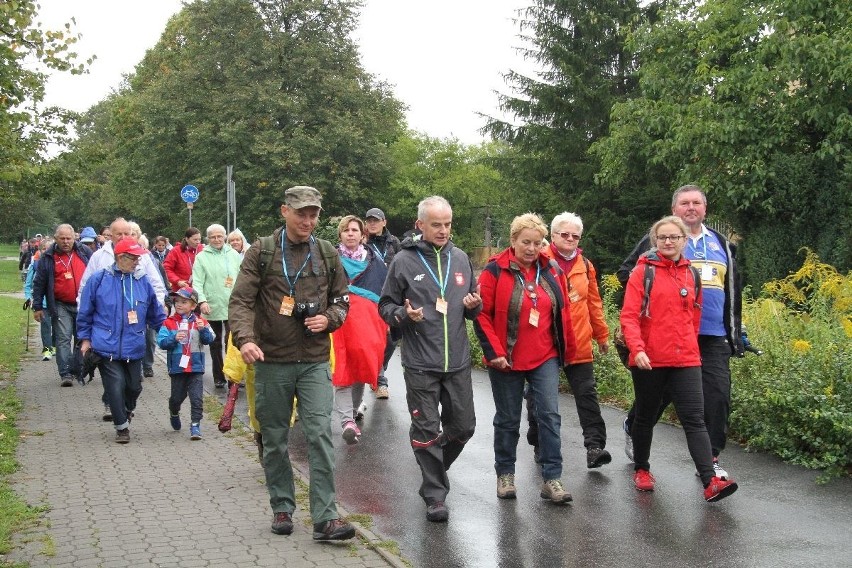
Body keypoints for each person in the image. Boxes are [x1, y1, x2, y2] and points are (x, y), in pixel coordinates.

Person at [228, 185, 355, 541]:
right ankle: (282, 507)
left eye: (313, 214)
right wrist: (246, 340)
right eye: (301, 213)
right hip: (271, 360)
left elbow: (343, 299)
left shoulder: (327, 252)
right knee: (275, 439)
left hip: (314, 359)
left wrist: (329, 318)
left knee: (319, 435)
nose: (308, 220)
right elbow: (240, 301)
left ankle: (326, 518)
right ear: (285, 212)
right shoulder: (263, 251)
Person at [617, 185, 744, 479]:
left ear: (705, 208)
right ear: (674, 209)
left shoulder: (721, 243)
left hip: (712, 335)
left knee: (716, 397)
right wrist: (654, 306)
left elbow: (734, 289)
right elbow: (628, 273)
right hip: (661, 337)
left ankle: (709, 463)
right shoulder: (660, 239)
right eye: (684, 203)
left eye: (696, 203)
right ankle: (634, 428)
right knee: (656, 399)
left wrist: (736, 330)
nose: (691, 208)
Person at [378, 195, 482, 522]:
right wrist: (404, 315)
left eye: (447, 224)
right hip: (421, 362)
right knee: (426, 430)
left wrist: (474, 306)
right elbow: (385, 307)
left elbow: (472, 306)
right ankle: (435, 495)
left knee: (464, 427)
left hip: (458, 362)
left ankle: (434, 467)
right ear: (419, 224)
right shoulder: (403, 261)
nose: (443, 230)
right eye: (436, 224)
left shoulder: (462, 258)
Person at [474, 213, 577, 503]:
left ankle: (552, 478)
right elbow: (481, 314)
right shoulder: (495, 270)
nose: (532, 249)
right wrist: (494, 353)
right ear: (513, 240)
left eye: (537, 243)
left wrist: (568, 352)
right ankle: (505, 474)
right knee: (508, 419)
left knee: (549, 416)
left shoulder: (551, 270)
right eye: (526, 242)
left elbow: (564, 311)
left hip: (545, 355)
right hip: (506, 358)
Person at [528, 213, 612, 468]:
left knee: (587, 394)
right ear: (552, 236)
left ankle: (595, 447)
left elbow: (594, 303)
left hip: (578, 341)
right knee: (540, 398)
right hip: (546, 342)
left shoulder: (585, 265)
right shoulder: (539, 261)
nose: (570, 239)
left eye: (575, 235)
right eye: (564, 234)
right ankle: (540, 442)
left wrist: (602, 335)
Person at [77, 238, 167, 444]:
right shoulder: (98, 280)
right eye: (133, 258)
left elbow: (155, 313)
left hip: (134, 345)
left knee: (134, 387)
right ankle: (121, 427)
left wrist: (168, 333)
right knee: (115, 386)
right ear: (120, 257)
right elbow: (85, 313)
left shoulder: (142, 281)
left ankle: (127, 410)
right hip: (104, 345)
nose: (137, 262)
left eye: (138, 258)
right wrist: (85, 339)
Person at [331, 215, 388, 444]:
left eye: (355, 230)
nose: (350, 233)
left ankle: (353, 411)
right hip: (339, 321)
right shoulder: (330, 260)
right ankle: (347, 421)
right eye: (346, 230)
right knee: (343, 368)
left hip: (367, 324)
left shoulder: (376, 263)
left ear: (363, 235)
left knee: (361, 368)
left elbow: (386, 293)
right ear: (341, 235)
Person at [32, 224, 93, 386]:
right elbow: (39, 284)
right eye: (62, 238)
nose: (66, 241)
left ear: (75, 238)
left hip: (83, 304)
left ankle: (76, 369)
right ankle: (65, 372)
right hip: (60, 304)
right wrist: (37, 307)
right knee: (63, 338)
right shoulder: (48, 257)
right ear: (56, 238)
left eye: (69, 238)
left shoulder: (84, 253)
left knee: (80, 338)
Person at [157, 286, 215, 440]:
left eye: (184, 302)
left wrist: (203, 331)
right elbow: (161, 342)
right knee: (177, 397)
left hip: (196, 366)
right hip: (178, 367)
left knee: (197, 398)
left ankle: (195, 425)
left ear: (193, 306)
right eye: (177, 301)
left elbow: (210, 340)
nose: (179, 305)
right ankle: (174, 411)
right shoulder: (169, 323)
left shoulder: (200, 321)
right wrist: (172, 338)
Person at [192, 224, 242, 388]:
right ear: (208, 239)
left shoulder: (234, 254)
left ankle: (233, 376)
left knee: (232, 342)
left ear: (225, 237)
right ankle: (218, 376)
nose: (217, 239)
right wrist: (202, 301)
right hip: (211, 305)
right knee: (215, 342)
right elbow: (197, 282)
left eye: (219, 236)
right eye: (213, 237)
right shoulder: (201, 257)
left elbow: (242, 277)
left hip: (232, 304)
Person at [365, 207, 402, 400]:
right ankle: (380, 380)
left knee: (391, 339)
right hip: (370, 296)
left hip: (391, 297)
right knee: (375, 339)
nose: (372, 223)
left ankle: (379, 368)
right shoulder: (362, 243)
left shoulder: (394, 243)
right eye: (369, 220)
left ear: (384, 222)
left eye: (376, 220)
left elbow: (404, 265)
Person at [24, 238, 55, 361]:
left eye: (49, 248)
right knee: (46, 326)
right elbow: (28, 285)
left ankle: (54, 345)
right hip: (42, 303)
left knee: (58, 327)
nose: (46, 251)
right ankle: (47, 350)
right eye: (44, 249)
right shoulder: (35, 265)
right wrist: (28, 298)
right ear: (40, 250)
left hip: (56, 301)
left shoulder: (57, 264)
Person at [163, 227, 203, 292]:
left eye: (199, 239)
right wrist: (177, 281)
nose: (198, 242)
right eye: (195, 240)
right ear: (187, 239)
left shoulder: (203, 250)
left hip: (199, 290)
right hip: (181, 290)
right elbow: (167, 268)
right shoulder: (176, 251)